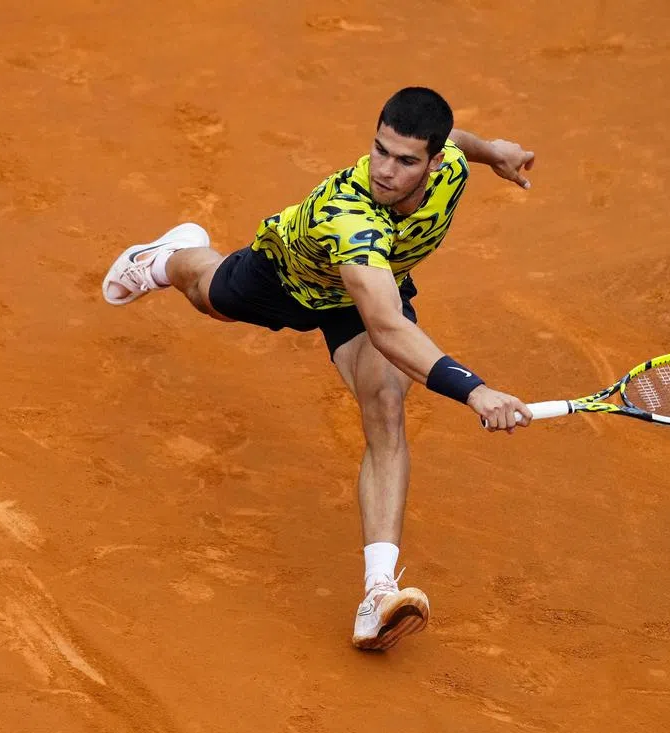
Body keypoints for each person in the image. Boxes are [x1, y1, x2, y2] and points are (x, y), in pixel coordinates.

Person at [102, 86, 534, 651]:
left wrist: (492, 149)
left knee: (384, 405)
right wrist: (474, 391)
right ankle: (161, 257)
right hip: (284, 279)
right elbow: (387, 327)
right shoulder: (350, 216)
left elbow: (454, 139)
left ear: (431, 164)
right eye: (380, 150)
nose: (385, 170)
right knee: (206, 293)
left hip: (372, 286)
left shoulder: (449, 163)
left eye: (406, 160)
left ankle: (378, 593)